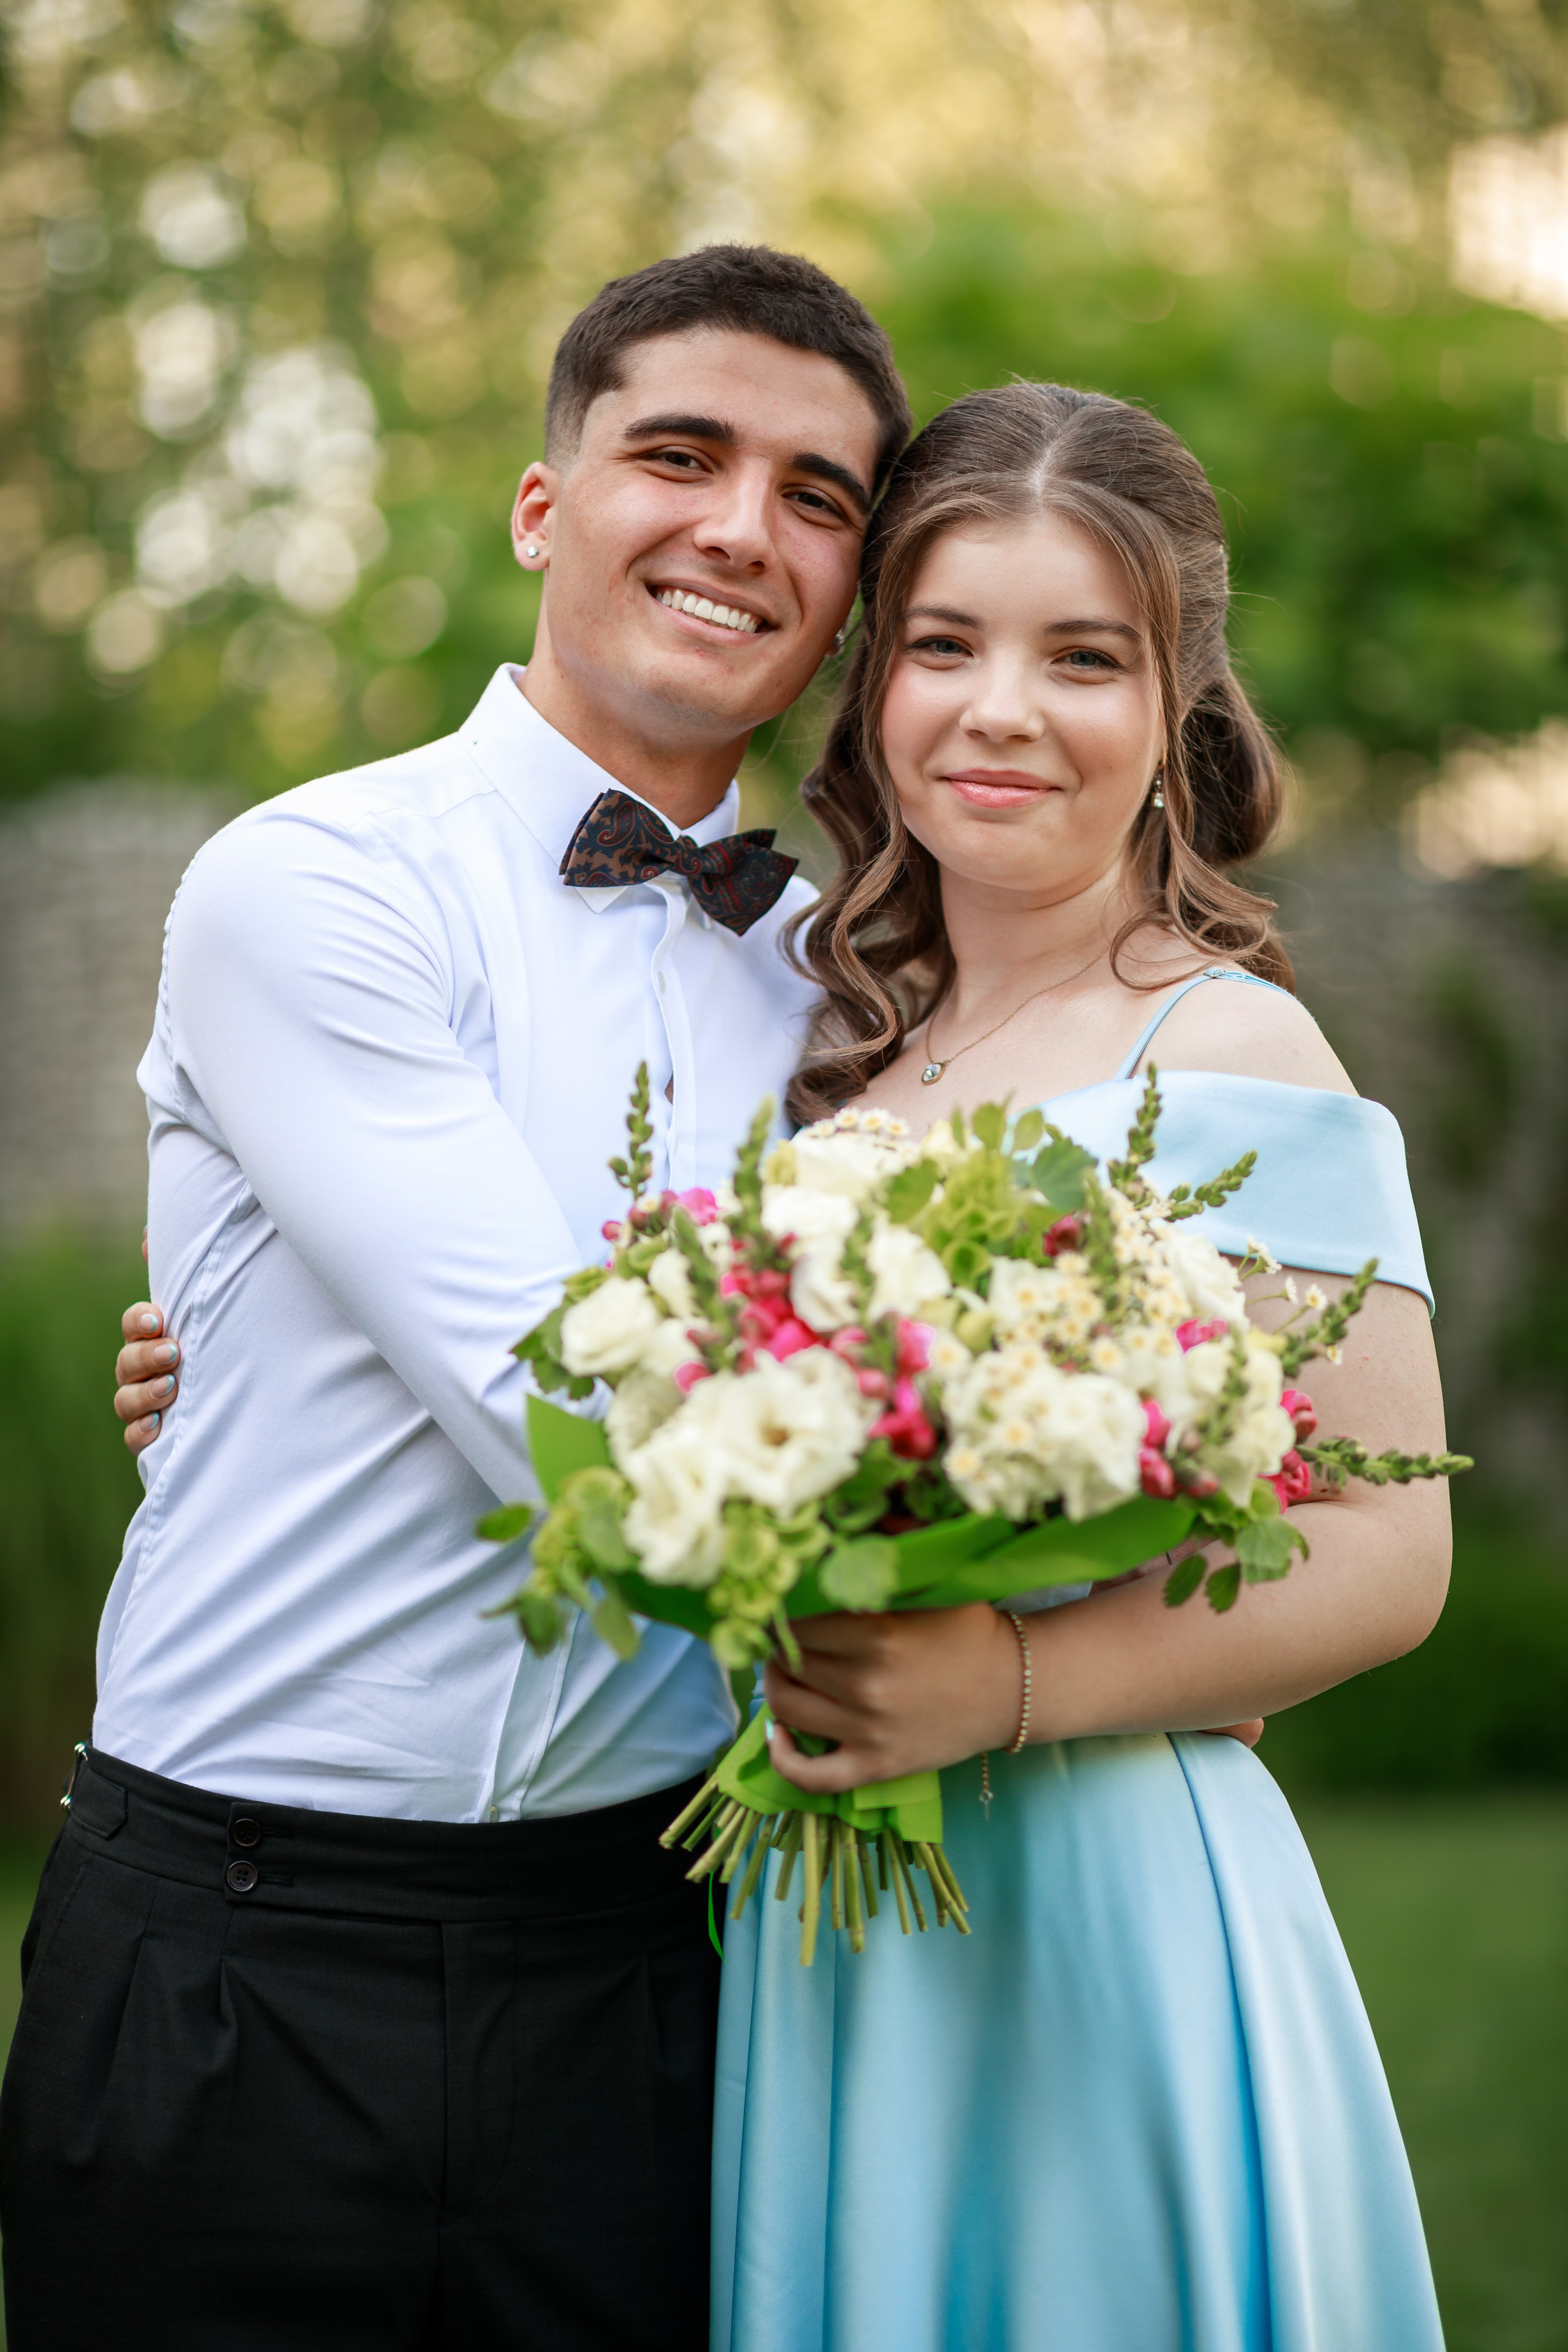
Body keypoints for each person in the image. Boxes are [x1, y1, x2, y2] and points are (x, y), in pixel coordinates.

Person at [0, 243, 913, 2352]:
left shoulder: (848, 994)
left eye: (812, 495)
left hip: (657, 1950)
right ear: (541, 505)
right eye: (674, 455)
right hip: (243, 1951)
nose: (736, 529)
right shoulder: (315, 882)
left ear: (848, 587)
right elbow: (568, 1406)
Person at [711, 382, 1450, 2350]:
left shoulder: (1228, 1057)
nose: (1001, 710)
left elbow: (1389, 1555)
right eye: (945, 644)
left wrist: (1007, 1678)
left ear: (1178, 712)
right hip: (824, 1907)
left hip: (1099, 1899)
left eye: (1083, 657)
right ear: (875, 689)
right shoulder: (832, 1059)